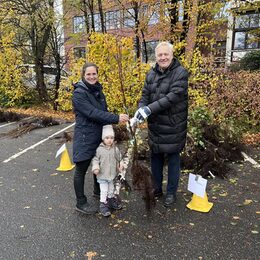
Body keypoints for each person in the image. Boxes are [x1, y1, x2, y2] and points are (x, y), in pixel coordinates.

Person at [132, 42, 189, 207]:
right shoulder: (151, 74)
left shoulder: (180, 73)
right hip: (156, 126)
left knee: (173, 161)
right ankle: (156, 189)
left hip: (173, 126)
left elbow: (172, 97)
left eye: (166, 54)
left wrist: (149, 109)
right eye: (160, 55)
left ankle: (171, 193)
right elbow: (145, 95)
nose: (163, 58)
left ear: (171, 55)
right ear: (155, 57)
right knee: (155, 159)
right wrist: (141, 109)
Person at [72, 62, 129, 214]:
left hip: (99, 135)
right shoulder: (79, 93)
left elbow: (103, 112)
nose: (91, 76)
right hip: (85, 136)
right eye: (88, 74)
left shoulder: (98, 90)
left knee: (101, 165)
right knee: (81, 169)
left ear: (97, 75)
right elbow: (92, 113)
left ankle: (99, 193)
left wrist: (110, 126)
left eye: (94, 74)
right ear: (83, 76)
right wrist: (116, 118)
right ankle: (81, 202)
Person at [92, 124, 126, 217]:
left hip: (112, 175)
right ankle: (103, 205)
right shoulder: (99, 150)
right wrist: (95, 167)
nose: (109, 140)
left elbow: (119, 158)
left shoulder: (115, 148)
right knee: (104, 191)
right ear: (103, 139)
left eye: (111, 137)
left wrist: (121, 163)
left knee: (111, 190)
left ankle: (111, 201)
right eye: (107, 138)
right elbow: (95, 159)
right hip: (102, 175)